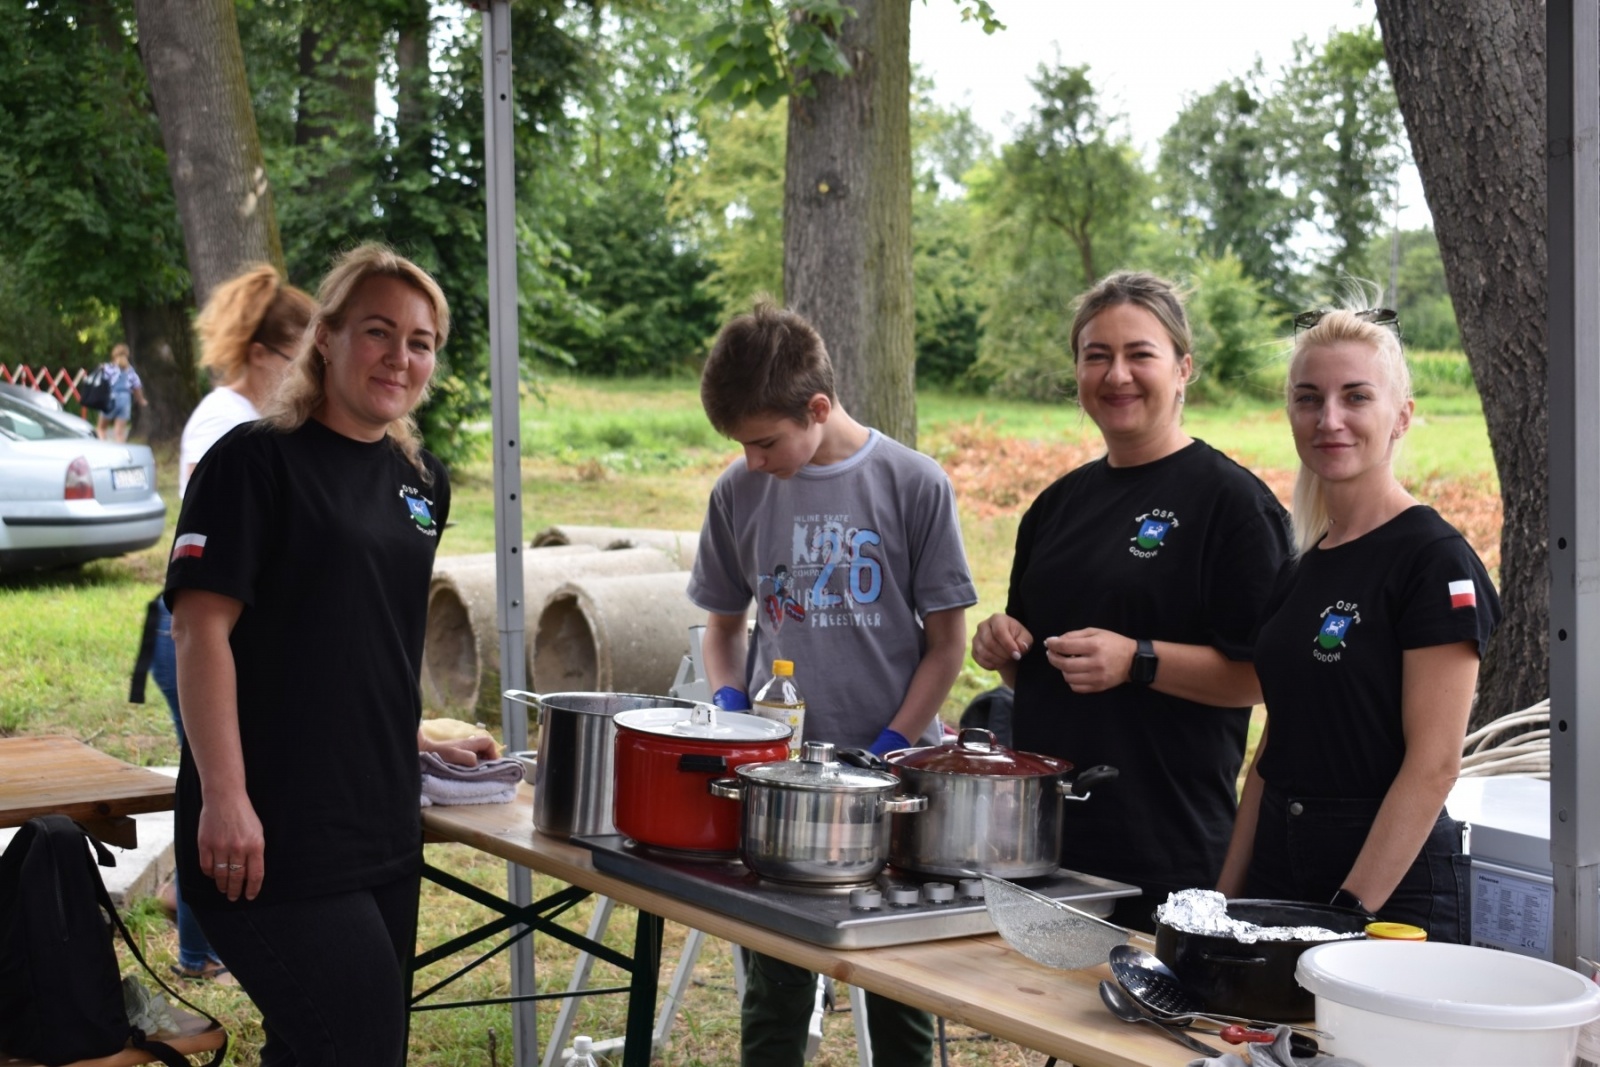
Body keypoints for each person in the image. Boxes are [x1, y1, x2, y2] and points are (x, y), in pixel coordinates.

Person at [166, 244, 494, 1066]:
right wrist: (225, 797)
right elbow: (199, 632)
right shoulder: (253, 461)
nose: (400, 356)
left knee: (321, 1047)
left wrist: (414, 738)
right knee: (358, 1046)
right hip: (270, 828)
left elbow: (355, 634)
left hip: (380, 823)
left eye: (421, 341)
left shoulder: (422, 480)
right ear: (326, 336)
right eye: (378, 331)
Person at [687, 299, 977, 1067]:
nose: (753, 460)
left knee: (899, 983)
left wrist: (891, 743)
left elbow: (948, 645)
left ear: (817, 408)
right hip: (783, 780)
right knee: (774, 979)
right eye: (741, 444)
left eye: (764, 441)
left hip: (895, 780)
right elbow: (724, 626)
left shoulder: (913, 482)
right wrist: (731, 706)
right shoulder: (739, 491)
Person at [970, 271, 1292, 932]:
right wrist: (1003, 647)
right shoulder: (1055, 507)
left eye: (1139, 353)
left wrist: (1138, 659)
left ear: (1183, 368)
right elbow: (1037, 675)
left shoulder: (1232, 505)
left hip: (1165, 850)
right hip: (1045, 844)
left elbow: (1263, 678)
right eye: (1097, 355)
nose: (1117, 375)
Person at [1216, 308, 1501, 941]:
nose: (1329, 419)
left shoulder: (1432, 560)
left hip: (1389, 893)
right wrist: (1223, 900)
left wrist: (1347, 912)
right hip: (1280, 867)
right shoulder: (1302, 564)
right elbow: (1275, 746)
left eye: (1356, 397)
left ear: (1401, 416)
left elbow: (1434, 766)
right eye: (1308, 398)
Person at [149, 265, 314, 983]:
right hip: (196, 633)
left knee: (227, 786)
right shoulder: (232, 425)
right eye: (301, 359)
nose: (309, 376)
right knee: (216, 790)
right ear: (260, 354)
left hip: (227, 631)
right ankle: (199, 952)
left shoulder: (247, 419)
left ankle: (191, 913)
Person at [96, 343, 148, 442]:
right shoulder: (130, 370)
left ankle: (104, 447)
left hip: (110, 399)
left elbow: (101, 381)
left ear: (114, 354)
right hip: (125, 400)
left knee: (101, 428)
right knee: (119, 433)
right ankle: (120, 450)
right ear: (127, 355)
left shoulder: (109, 368)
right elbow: (137, 386)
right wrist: (141, 400)